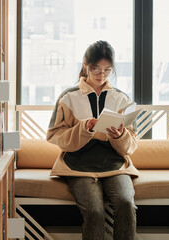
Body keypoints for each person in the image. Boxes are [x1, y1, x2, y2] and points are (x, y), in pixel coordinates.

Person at [46, 40, 140, 240]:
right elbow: (54, 135)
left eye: (107, 70)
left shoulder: (121, 98)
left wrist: (119, 136)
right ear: (85, 65)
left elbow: (131, 144)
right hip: (78, 164)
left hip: (115, 164)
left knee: (126, 203)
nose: (102, 75)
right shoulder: (68, 97)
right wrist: (83, 129)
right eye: (96, 69)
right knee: (94, 211)